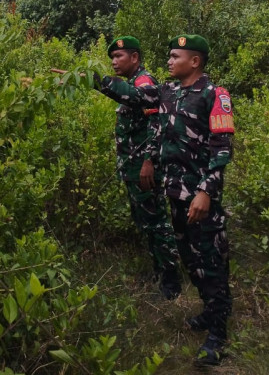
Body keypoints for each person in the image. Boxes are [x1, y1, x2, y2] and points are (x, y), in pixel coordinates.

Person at [97, 34, 234, 366]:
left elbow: (222, 148)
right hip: (173, 192)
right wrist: (95, 80)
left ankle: (218, 333)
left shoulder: (215, 95)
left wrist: (205, 192)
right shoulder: (169, 92)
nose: (169, 61)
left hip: (200, 196)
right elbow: (134, 96)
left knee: (211, 262)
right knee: (190, 257)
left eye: (175, 56)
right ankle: (207, 311)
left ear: (195, 61)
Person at [105, 35, 182, 300]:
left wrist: (149, 162)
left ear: (135, 58)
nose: (114, 62)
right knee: (145, 222)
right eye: (112, 58)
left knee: (157, 223)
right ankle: (159, 271)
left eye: (119, 56)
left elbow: (155, 124)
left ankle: (172, 282)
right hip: (132, 168)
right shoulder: (131, 83)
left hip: (144, 169)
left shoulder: (144, 83)